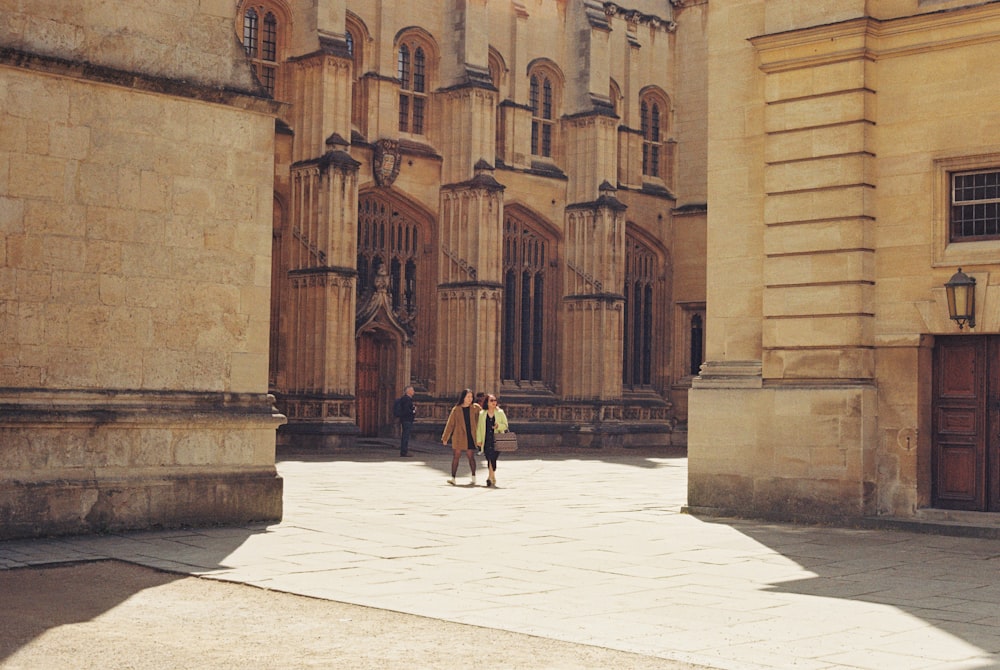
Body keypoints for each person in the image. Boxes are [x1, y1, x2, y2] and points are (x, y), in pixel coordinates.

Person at [441, 388, 480, 485]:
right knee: (456, 456)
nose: (470, 399)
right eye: (468, 397)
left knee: (470, 456)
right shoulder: (456, 409)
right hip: (459, 435)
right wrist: (445, 437)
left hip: (471, 435)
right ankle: (453, 478)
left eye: (471, 397)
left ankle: (474, 476)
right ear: (463, 397)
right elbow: (450, 424)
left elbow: (483, 418)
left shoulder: (476, 408)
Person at [475, 393, 509, 488]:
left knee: (493, 458)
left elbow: (506, 425)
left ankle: (491, 476)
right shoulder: (482, 414)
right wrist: (478, 440)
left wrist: (498, 426)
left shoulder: (500, 412)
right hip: (486, 438)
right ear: (487, 402)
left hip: (496, 439)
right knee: (489, 457)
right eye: (491, 400)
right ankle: (490, 477)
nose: (494, 402)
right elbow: (479, 427)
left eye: (495, 400)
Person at [396, 385, 416, 457]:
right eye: (412, 390)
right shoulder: (407, 399)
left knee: (405, 435)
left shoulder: (405, 399)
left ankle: (404, 450)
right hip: (407, 419)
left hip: (405, 419)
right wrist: (413, 411)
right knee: (405, 436)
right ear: (408, 391)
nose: (414, 392)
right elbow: (406, 410)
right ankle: (404, 451)